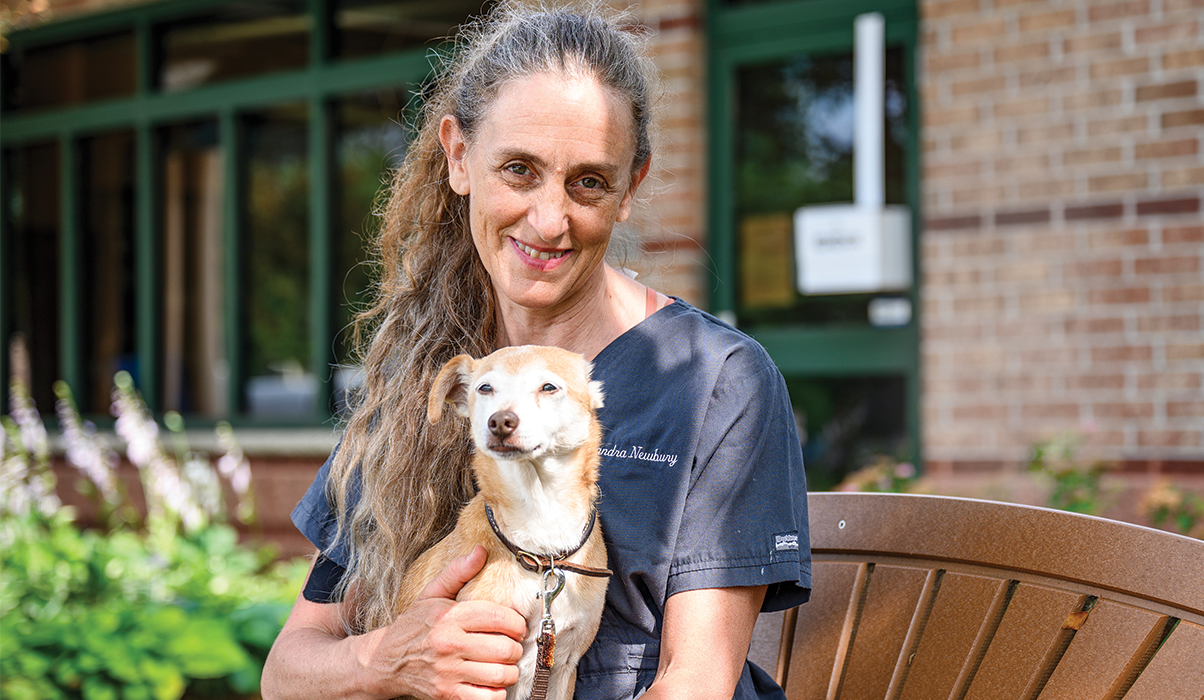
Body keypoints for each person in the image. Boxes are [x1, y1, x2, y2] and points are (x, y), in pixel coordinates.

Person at [261, 3, 811, 700]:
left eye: (587, 181)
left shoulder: (714, 382)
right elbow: (286, 672)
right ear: (460, 157)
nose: (550, 221)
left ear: (629, 190)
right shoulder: (426, 377)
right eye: (519, 170)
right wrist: (391, 660)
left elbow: (694, 681)